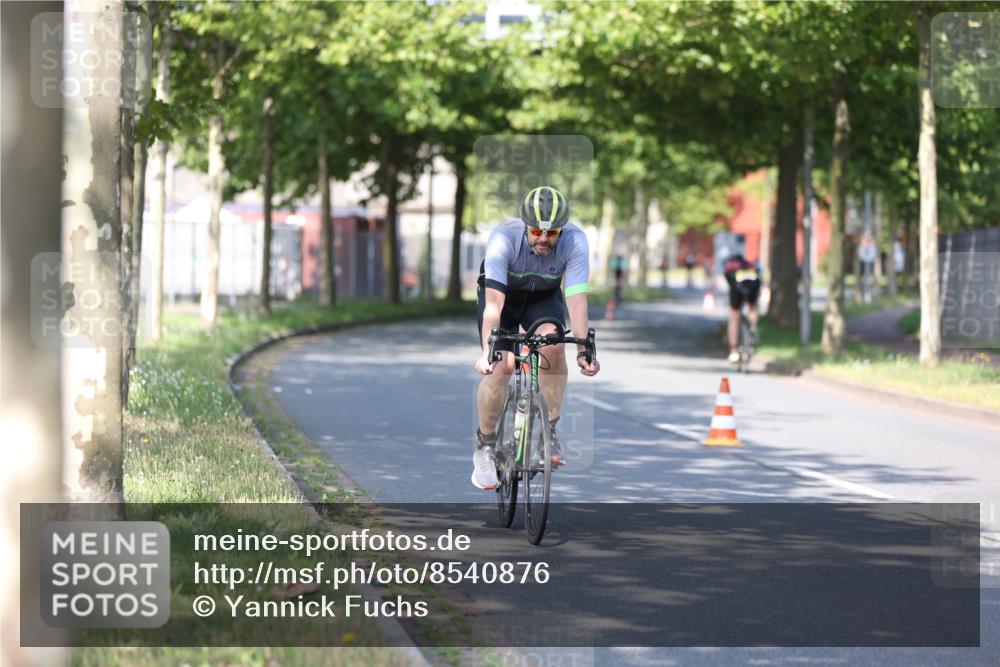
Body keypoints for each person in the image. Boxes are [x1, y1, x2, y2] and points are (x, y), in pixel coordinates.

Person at [471, 186, 601, 490]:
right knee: (501, 366)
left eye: (552, 233)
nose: (544, 239)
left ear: (562, 230)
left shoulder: (576, 241)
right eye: (536, 232)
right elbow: (493, 306)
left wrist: (584, 349)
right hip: (502, 297)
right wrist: (486, 352)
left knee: (554, 345)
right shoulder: (503, 239)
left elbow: (577, 300)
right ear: (524, 225)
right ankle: (486, 445)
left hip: (542, 298)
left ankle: (549, 431)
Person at [723, 253, 760, 363]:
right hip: (753, 283)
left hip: (737, 286)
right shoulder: (750, 265)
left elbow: (730, 284)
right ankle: (753, 327)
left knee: (734, 314)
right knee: (752, 307)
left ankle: (733, 350)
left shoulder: (731, 267)